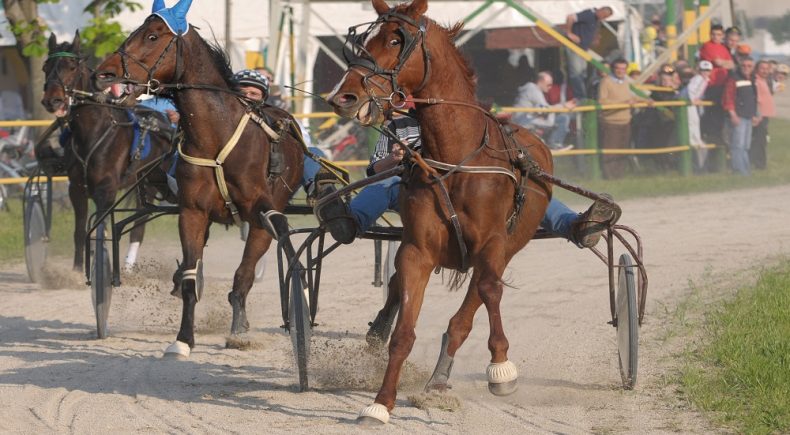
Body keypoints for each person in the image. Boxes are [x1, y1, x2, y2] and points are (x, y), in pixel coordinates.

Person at [318, 107, 617, 250]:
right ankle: (351, 222)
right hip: (412, 192)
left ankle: (576, 227)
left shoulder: (464, 120)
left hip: (463, 194)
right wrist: (394, 159)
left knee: (526, 192)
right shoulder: (396, 126)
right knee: (384, 184)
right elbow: (375, 171)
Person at [598, 58, 645, 179]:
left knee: (623, 150)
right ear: (613, 69)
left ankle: (619, 176)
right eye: (618, 68)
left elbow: (632, 97)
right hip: (611, 122)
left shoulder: (626, 82)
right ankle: (610, 177)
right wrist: (624, 102)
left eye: (623, 68)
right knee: (611, 151)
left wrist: (646, 101)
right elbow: (602, 101)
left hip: (626, 121)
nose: (620, 71)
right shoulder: (606, 82)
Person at [512, 71, 577, 151]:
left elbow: (543, 109)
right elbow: (546, 109)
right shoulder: (533, 90)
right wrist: (564, 106)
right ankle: (554, 144)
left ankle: (551, 143)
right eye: (548, 84)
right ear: (541, 81)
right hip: (525, 122)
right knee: (562, 119)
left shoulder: (533, 89)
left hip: (527, 120)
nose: (550, 87)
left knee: (559, 118)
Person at [564, 6, 614, 100]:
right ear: (601, 11)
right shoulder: (589, 14)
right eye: (604, 16)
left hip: (582, 49)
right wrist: (569, 33)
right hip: (575, 47)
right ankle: (580, 96)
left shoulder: (595, 18)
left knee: (582, 74)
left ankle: (582, 95)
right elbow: (570, 17)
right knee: (576, 73)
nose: (603, 18)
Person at [722, 57, 758, 176]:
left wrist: (754, 115)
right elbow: (728, 98)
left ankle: (746, 171)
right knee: (737, 145)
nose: (746, 68)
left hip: (748, 116)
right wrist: (733, 115)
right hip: (739, 116)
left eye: (749, 66)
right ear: (739, 66)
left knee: (745, 146)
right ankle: (739, 171)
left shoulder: (752, 79)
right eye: (744, 66)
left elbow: (752, 99)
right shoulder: (734, 78)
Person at [684, 60, 713, 170]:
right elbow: (691, 89)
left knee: (695, 120)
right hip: (689, 102)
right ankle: (694, 139)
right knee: (692, 120)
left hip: (693, 101)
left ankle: (696, 138)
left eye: (707, 70)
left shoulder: (704, 79)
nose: (705, 72)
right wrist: (693, 100)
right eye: (703, 70)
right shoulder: (698, 78)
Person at [750, 60, 776, 170]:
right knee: (759, 141)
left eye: (767, 68)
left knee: (762, 140)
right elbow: (756, 99)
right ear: (756, 69)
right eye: (762, 68)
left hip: (766, 115)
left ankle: (759, 163)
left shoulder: (764, 80)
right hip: (760, 115)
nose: (765, 71)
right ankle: (759, 164)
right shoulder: (756, 81)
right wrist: (758, 114)